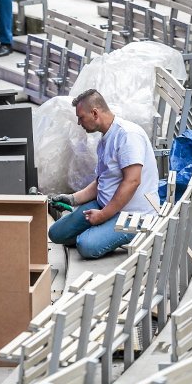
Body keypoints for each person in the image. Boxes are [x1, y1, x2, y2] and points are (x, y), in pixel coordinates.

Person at [48, 89, 160, 259]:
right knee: (56, 234)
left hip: (133, 214)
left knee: (86, 246)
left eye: (81, 117)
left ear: (94, 113)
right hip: (106, 205)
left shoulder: (127, 135)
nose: (79, 122)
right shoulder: (105, 138)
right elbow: (102, 181)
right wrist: (72, 199)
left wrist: (103, 216)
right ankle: (101, 230)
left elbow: (132, 181)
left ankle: (110, 232)